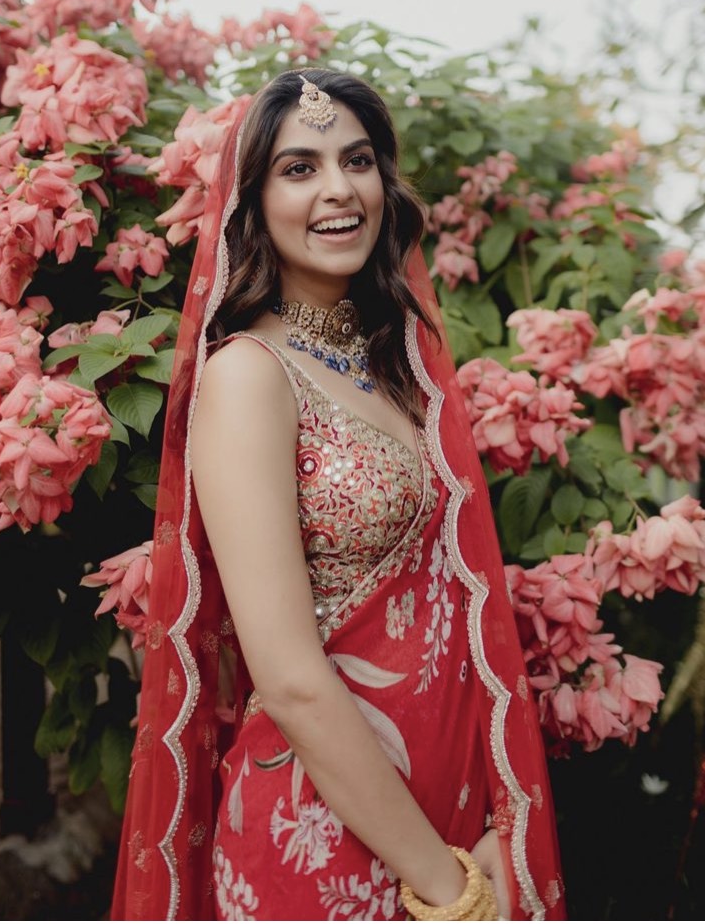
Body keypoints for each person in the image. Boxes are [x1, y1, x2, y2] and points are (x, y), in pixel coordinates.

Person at [110, 69, 566, 921]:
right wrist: (446, 885)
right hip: (322, 838)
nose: (337, 190)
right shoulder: (251, 376)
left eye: (356, 160)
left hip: (448, 813)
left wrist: (499, 821)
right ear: (251, 202)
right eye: (298, 167)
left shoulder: (394, 368)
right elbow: (287, 677)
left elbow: (454, 605)